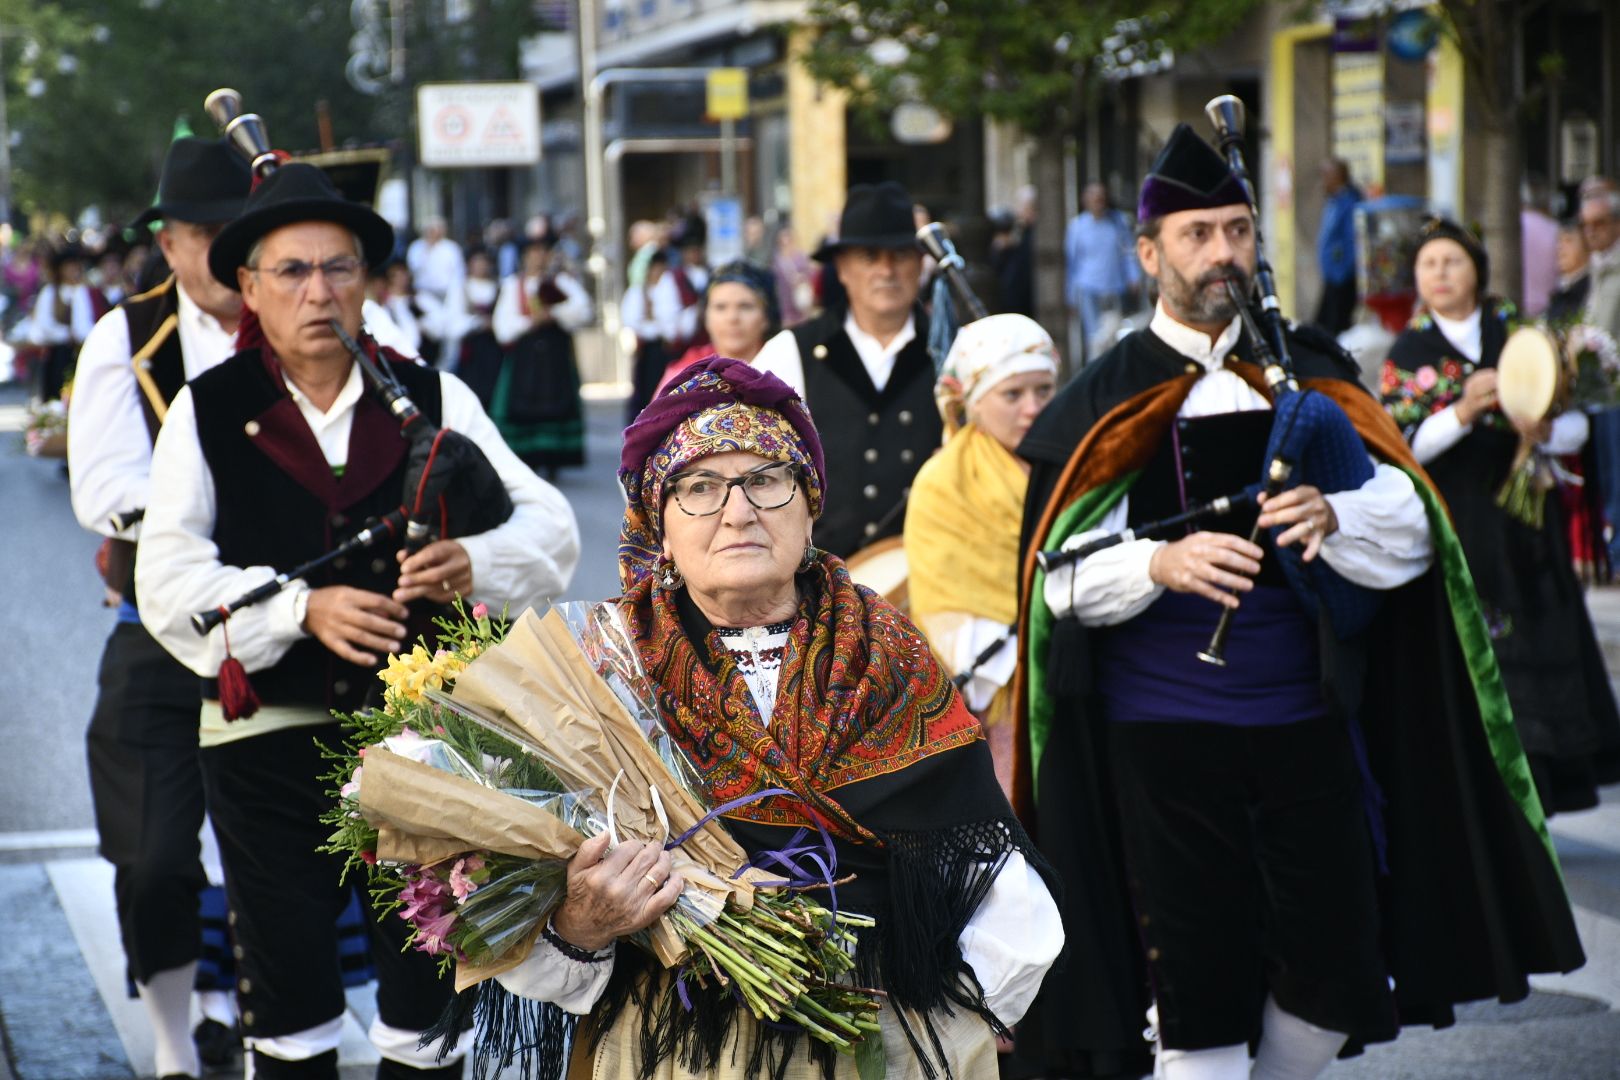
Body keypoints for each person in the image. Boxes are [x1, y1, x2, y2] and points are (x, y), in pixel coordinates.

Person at [1012, 126, 1584, 1080]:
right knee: (1198, 992)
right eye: (1196, 235)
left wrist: (1336, 511)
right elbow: (1055, 579)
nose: (1222, 252)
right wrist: (1159, 566)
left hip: (1310, 717)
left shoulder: (1312, 370)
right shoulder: (1099, 400)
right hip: (1161, 733)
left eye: (1237, 230)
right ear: (1149, 254)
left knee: (1334, 983)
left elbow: (1412, 528)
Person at [491, 355, 1062, 1078]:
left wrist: (936, 1024)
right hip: (675, 1045)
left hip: (888, 1035)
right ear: (658, 528)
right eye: (699, 488)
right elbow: (537, 949)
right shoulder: (601, 671)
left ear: (809, 505)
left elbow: (1000, 883)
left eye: (766, 480)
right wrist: (580, 925)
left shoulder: (889, 657)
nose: (739, 512)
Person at [136, 161, 581, 1079]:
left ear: (370, 284)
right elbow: (169, 576)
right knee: (291, 999)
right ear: (250, 289)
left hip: (420, 744)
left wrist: (476, 561)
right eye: (291, 272)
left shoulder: (433, 397)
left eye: (339, 269)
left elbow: (551, 528)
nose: (318, 291)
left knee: (425, 1000)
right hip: (265, 740)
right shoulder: (208, 410)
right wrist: (303, 606)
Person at [69, 134, 252, 1080]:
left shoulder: (306, 313)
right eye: (201, 234)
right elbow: (103, 485)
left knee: (311, 849)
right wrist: (208, 516)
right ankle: (177, 1044)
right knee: (150, 854)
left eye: (235, 232)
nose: (221, 253)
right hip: (165, 625)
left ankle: (280, 1021)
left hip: (298, 618)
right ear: (170, 243)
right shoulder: (124, 336)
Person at [1382, 217, 1620, 814]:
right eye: (1428, 264)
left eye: (1452, 262)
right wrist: (1462, 412)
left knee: (1537, 647)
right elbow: (1399, 446)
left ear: (1478, 273)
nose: (1439, 274)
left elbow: (1579, 424)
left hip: (1525, 530)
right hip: (1459, 528)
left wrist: (1541, 425)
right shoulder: (1410, 353)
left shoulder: (1520, 335)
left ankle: (1543, 786)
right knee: (1476, 656)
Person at [902, 314, 1056, 797]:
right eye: (1013, 395)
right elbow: (945, 601)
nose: (1032, 408)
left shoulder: (1070, 462)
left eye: (1044, 390)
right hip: (993, 695)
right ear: (973, 401)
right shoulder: (944, 481)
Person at [753, 181, 942, 558]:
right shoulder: (791, 353)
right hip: (821, 586)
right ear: (842, 269)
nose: (887, 271)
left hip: (930, 578)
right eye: (870, 257)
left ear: (921, 264)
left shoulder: (951, 352)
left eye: (901, 256)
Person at [490, 236, 593, 475]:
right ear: (525, 257)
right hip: (526, 357)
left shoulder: (562, 282)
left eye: (543, 251)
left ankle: (553, 459)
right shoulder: (513, 285)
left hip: (554, 357)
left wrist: (555, 313)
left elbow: (583, 310)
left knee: (556, 401)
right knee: (524, 402)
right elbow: (502, 328)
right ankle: (527, 458)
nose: (539, 257)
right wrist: (529, 322)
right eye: (533, 252)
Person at [656, 260, 779, 393]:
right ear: (705, 317)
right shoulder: (682, 378)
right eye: (720, 307)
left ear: (766, 317)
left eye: (745, 306)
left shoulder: (787, 368)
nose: (732, 318)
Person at [1064, 182, 1141, 361]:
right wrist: (1071, 297)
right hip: (1088, 288)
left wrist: (1133, 276)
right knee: (1093, 338)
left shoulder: (1118, 222)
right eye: (1093, 196)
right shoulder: (1077, 226)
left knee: (1113, 333)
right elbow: (1072, 264)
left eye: (1100, 195)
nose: (1097, 200)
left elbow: (1127, 253)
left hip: (1114, 286)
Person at [29, 243, 103, 401]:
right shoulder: (50, 292)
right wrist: (66, 334)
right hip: (57, 355)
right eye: (69, 267)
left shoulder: (83, 291)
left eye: (76, 267)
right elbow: (44, 324)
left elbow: (85, 321)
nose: (73, 271)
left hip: (80, 352)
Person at [405, 216, 465, 367]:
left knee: (451, 335)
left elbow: (458, 274)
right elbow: (413, 270)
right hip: (423, 297)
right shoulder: (417, 248)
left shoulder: (451, 248)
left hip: (448, 298)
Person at [1313, 157, 1363, 336]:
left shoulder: (1349, 202)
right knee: (1322, 326)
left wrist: (1342, 272)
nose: (1323, 181)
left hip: (1342, 277)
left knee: (1334, 327)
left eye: (1326, 175)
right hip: (1332, 276)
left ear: (1338, 176)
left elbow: (1353, 241)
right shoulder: (1333, 201)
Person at [453, 249, 503, 410]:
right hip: (471, 351)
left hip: (493, 348)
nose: (481, 266)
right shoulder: (461, 288)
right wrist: (478, 323)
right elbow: (453, 322)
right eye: (477, 262)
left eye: (484, 262)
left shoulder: (498, 286)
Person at [1579, 187, 1620, 340]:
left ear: (1617, 223)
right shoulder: (1593, 262)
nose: (1590, 231)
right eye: (1585, 224)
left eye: (1598, 223)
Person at [1547, 219, 1591, 326]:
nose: (1560, 248)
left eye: (1568, 241)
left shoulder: (1592, 287)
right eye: (1559, 241)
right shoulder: (1562, 288)